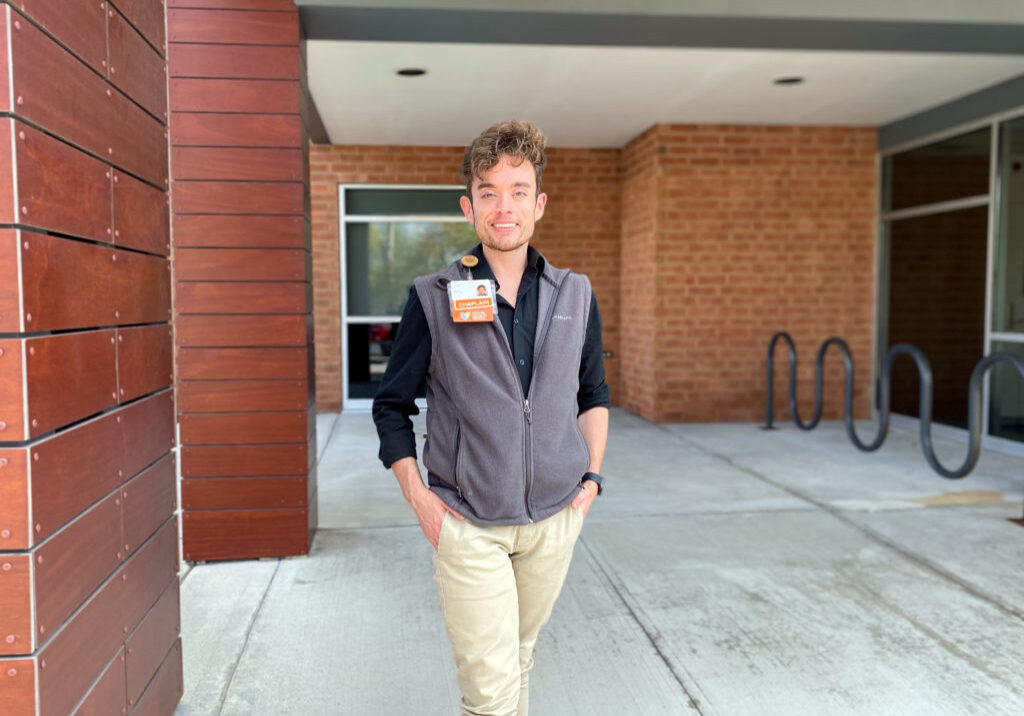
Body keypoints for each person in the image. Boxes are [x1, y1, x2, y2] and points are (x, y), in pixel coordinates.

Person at [372, 120, 610, 716]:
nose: (504, 208)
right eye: (488, 192)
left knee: (520, 657)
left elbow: (594, 394)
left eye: (518, 190)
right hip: (469, 524)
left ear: (540, 202)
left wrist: (591, 482)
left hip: (555, 519)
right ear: (469, 205)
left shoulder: (575, 294)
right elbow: (392, 408)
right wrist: (422, 501)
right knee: (491, 696)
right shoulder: (433, 296)